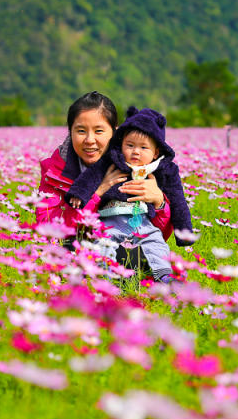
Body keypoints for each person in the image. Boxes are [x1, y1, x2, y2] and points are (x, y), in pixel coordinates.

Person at [65, 106, 193, 282]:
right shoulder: (112, 160)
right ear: (121, 143)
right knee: (102, 244)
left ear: (156, 152)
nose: (135, 151)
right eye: (130, 145)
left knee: (157, 244)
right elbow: (92, 175)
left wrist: (184, 231)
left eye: (143, 148)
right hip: (111, 220)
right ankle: (103, 277)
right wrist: (79, 193)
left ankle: (165, 276)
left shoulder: (164, 169)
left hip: (143, 223)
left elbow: (178, 199)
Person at [36, 92, 173, 249]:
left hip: (128, 258)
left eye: (99, 131)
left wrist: (159, 203)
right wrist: (96, 194)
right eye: (81, 131)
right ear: (70, 131)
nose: (89, 140)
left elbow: (158, 237)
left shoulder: (138, 164)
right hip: (75, 258)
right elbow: (46, 228)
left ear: (115, 132)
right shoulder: (55, 171)